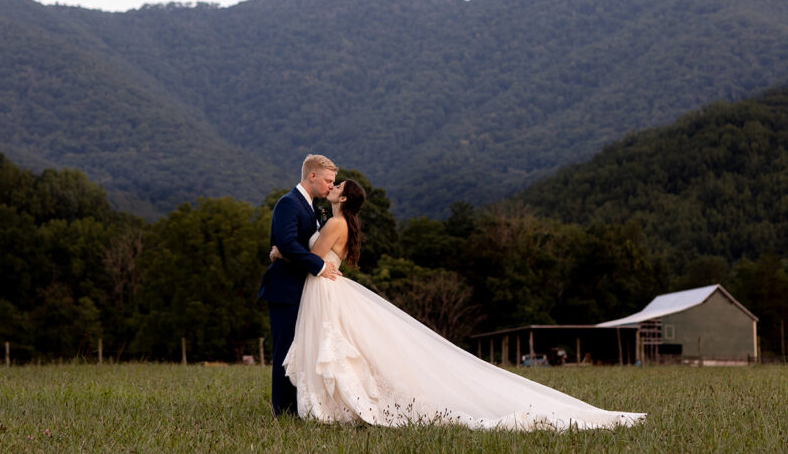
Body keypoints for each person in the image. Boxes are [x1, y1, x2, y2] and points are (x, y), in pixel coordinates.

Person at [272, 178, 646, 431]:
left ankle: (339, 406)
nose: (332, 187)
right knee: (338, 348)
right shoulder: (340, 223)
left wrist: (281, 251)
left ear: (342, 198)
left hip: (325, 288)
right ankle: (331, 405)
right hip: (326, 289)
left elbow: (315, 256)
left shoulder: (336, 225)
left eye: (337, 186)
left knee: (337, 346)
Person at [258, 154, 341, 417]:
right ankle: (282, 411)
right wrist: (318, 266)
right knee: (285, 349)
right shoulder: (288, 203)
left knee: (300, 349)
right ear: (312, 176)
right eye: (328, 180)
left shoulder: (310, 206)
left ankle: (299, 405)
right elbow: (287, 242)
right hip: (285, 289)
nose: (330, 186)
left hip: (302, 289)